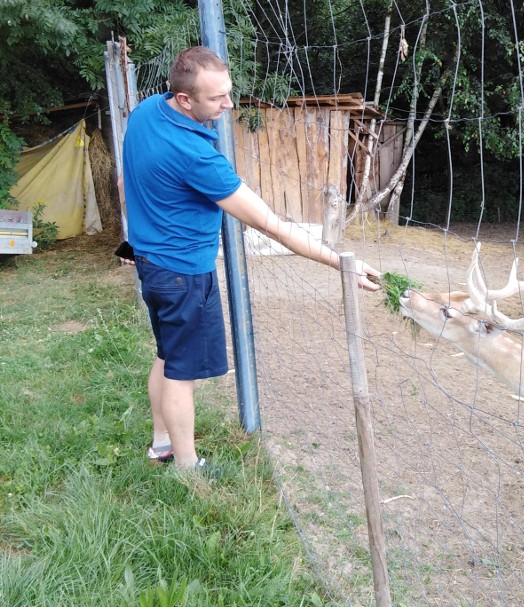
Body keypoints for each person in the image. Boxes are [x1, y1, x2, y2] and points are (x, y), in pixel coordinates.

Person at [122, 46, 381, 470]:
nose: (228, 104)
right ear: (184, 99)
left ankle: (162, 444)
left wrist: (136, 238)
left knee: (168, 355)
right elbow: (272, 225)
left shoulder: (148, 111)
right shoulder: (197, 157)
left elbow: (124, 178)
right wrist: (341, 263)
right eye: (216, 98)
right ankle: (187, 467)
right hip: (183, 275)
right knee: (180, 373)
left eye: (228, 92)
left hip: (153, 263)